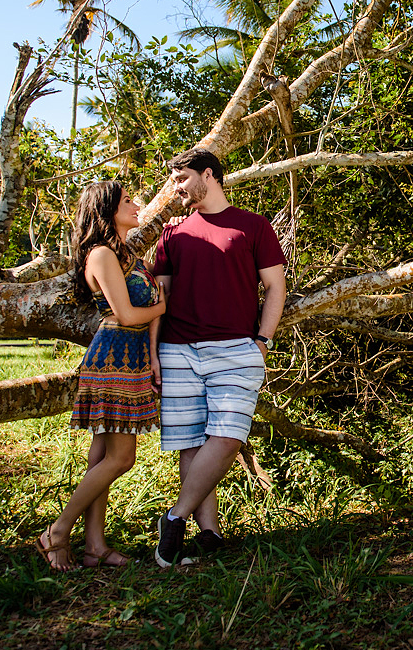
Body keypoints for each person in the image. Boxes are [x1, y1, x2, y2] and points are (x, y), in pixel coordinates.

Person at [150, 147, 287, 567]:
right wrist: (154, 352)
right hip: (177, 349)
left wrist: (262, 340)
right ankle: (208, 531)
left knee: (227, 437)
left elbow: (276, 288)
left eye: (181, 179)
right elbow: (161, 297)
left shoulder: (252, 225)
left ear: (207, 175)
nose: (175, 189)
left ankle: (173, 518)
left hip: (236, 348)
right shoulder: (173, 233)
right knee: (190, 442)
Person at [35, 181, 166, 571]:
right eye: (127, 201)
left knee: (101, 456)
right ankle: (57, 532)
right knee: (121, 459)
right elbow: (127, 315)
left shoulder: (129, 255)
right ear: (107, 210)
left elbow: (149, 302)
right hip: (113, 357)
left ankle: (95, 546)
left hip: (134, 356)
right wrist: (164, 309)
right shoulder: (102, 254)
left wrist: (155, 352)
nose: (136, 205)